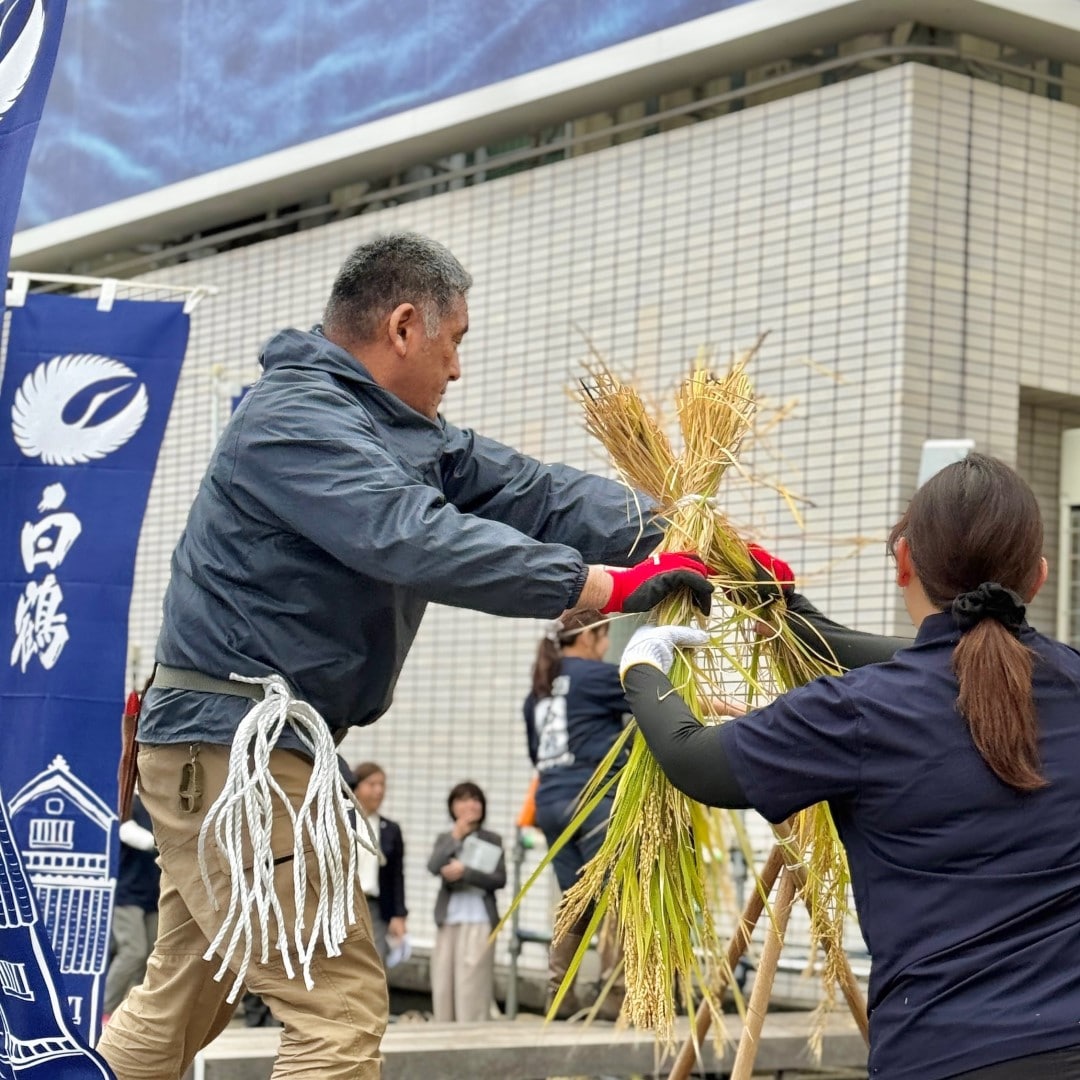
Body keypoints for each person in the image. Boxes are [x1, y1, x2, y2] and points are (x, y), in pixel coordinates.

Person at [97, 231, 712, 1080]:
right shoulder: (296, 421)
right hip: (235, 749)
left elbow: (531, 491)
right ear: (404, 326)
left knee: (182, 998)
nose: (457, 369)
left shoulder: (402, 434)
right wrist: (602, 588)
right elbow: (412, 536)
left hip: (237, 753)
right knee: (337, 1006)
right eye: (455, 341)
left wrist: (675, 529)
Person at [618, 454, 1080, 1080]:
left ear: (903, 563)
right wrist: (789, 611)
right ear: (1040, 577)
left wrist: (642, 663)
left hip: (941, 1055)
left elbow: (695, 761)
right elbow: (931, 656)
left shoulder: (858, 712)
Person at [523, 608, 628, 1018]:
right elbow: (655, 696)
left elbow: (536, 753)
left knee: (576, 901)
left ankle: (560, 998)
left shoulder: (539, 690)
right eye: (604, 638)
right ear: (589, 638)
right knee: (619, 894)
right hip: (591, 801)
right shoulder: (595, 676)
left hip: (550, 802)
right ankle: (615, 993)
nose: (605, 648)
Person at [426, 782, 505, 1023]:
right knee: (443, 981)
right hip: (448, 918)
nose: (472, 805)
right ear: (453, 806)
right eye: (464, 800)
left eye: (476, 800)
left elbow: (499, 879)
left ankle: (471, 1034)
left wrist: (466, 872)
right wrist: (456, 836)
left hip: (480, 918)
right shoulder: (446, 837)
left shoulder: (491, 838)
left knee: (472, 985)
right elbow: (433, 866)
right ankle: (443, 1033)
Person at [103, 794, 161, 1018]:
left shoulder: (158, 806)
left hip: (153, 895)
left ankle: (142, 1012)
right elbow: (129, 833)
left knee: (152, 957)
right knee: (133, 951)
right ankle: (103, 1010)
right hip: (127, 896)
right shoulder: (127, 804)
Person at [351, 762, 407, 964]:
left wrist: (399, 915)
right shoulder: (341, 820)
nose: (379, 790)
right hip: (345, 903)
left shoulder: (390, 829)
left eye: (382, 785)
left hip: (375, 906)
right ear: (356, 786)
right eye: (372, 784)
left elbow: (396, 876)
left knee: (375, 961)